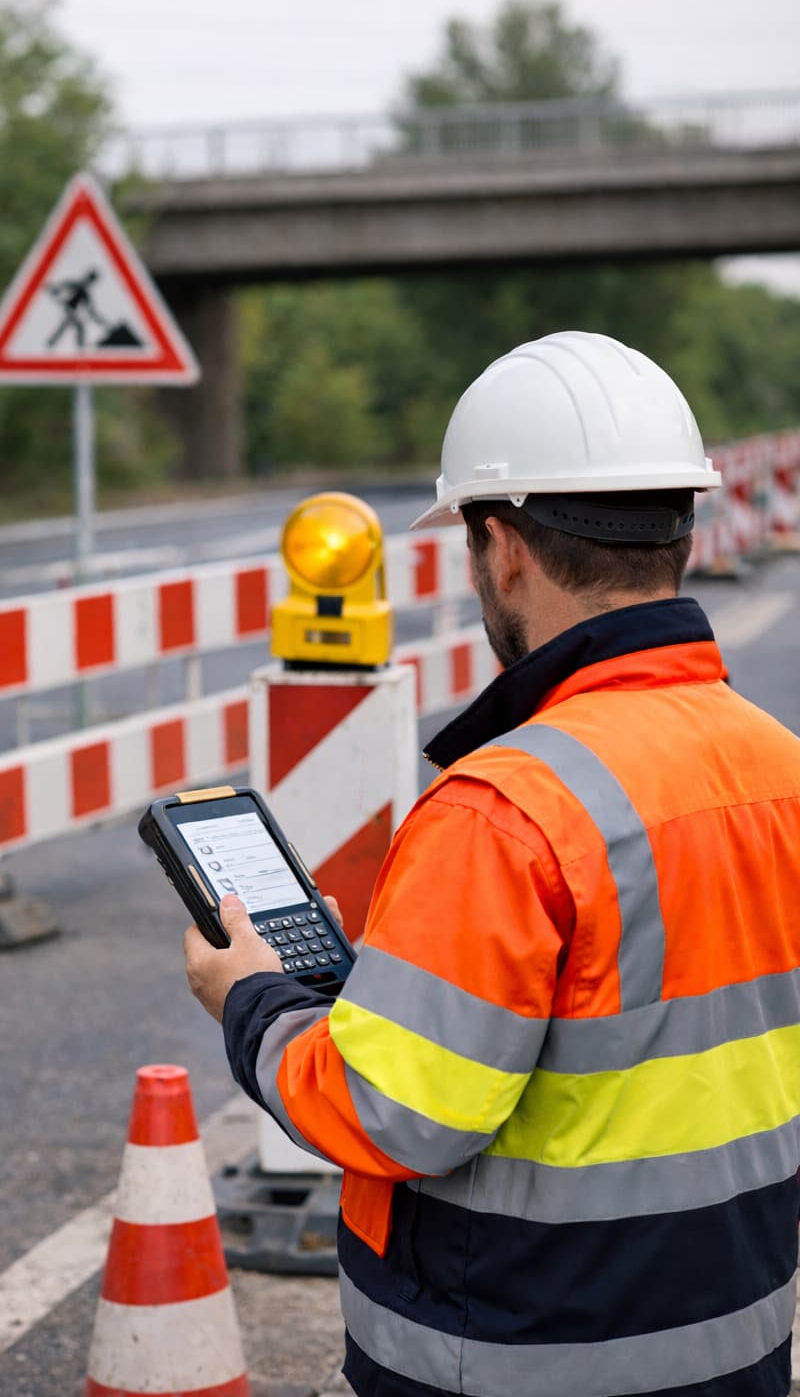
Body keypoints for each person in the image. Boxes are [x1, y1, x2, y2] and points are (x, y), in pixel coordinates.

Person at [184, 330, 800, 1397]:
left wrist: (251, 1002)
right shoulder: (777, 765)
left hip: (519, 1358)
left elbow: (391, 1111)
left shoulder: (504, 809)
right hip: (734, 1342)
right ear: (682, 533)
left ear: (501, 546)